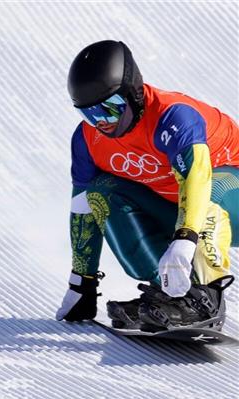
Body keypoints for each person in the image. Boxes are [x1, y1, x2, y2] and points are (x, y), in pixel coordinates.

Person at [56, 40, 239, 331]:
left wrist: (185, 237)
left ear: (133, 94)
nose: (101, 122)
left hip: (228, 195)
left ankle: (206, 297)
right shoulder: (87, 140)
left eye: (110, 110)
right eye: (90, 115)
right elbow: (83, 209)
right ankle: (175, 292)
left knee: (212, 187)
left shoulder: (173, 116)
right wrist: (82, 283)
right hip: (178, 207)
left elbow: (197, 179)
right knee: (101, 190)